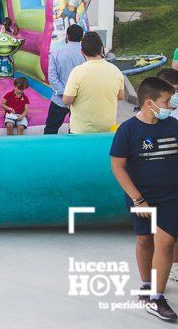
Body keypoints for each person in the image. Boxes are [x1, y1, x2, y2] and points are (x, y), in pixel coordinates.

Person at [109, 77, 178, 322]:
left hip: (171, 196)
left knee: (167, 242)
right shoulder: (128, 130)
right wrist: (138, 200)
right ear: (150, 103)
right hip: (142, 198)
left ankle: (157, 299)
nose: (170, 105)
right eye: (167, 101)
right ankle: (148, 284)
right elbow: (118, 167)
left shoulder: (173, 125)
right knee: (144, 239)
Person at [62, 32, 124, 134]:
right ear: (102, 49)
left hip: (81, 131)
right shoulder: (116, 71)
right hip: (108, 130)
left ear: (82, 52)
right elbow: (121, 96)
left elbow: (67, 100)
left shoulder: (77, 72)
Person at [44, 24, 85, 134]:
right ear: (82, 37)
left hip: (60, 99)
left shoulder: (56, 53)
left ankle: (48, 150)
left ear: (67, 36)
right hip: (80, 99)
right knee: (77, 130)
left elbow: (52, 77)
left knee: (50, 130)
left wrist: (63, 93)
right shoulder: (86, 54)